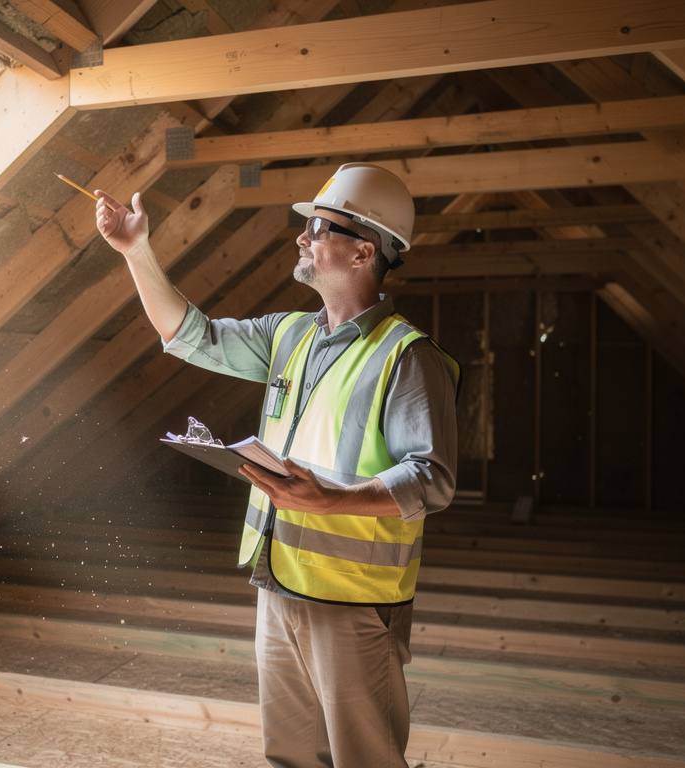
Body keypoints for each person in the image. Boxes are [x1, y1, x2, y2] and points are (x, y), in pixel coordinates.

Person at [95, 162, 460, 768]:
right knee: (290, 758)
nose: (302, 238)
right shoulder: (288, 335)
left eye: (317, 228)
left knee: (364, 759)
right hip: (279, 581)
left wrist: (330, 500)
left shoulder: (407, 357)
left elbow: (432, 479)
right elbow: (191, 335)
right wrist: (137, 252)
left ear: (363, 250)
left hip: (354, 602)